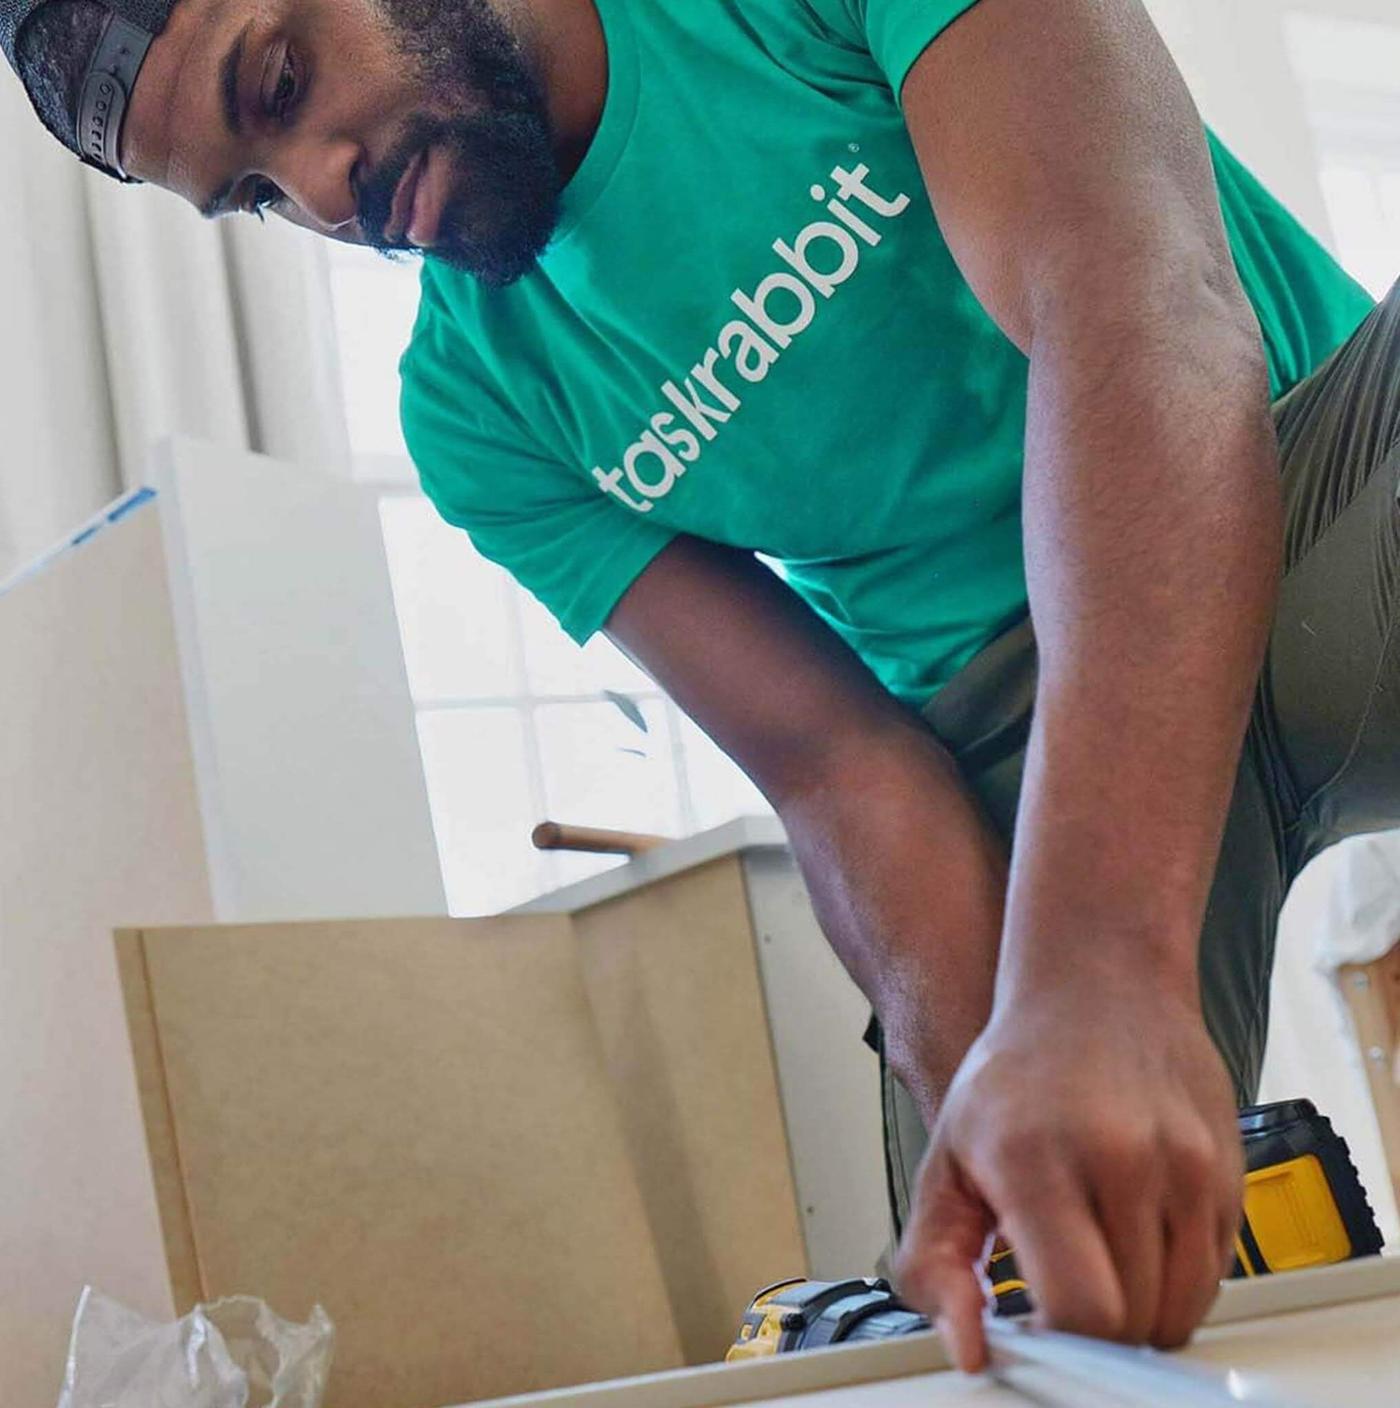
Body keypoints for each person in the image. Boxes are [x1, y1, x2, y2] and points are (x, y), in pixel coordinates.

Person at [6, 0, 1394, 1370]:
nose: (319, 187)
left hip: (1291, 476)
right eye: (252, 194)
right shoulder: (479, 411)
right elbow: (837, 767)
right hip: (993, 736)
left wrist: (1099, 974)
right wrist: (1004, 1092)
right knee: (1023, 1310)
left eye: (283, 79)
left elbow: (1133, 305)